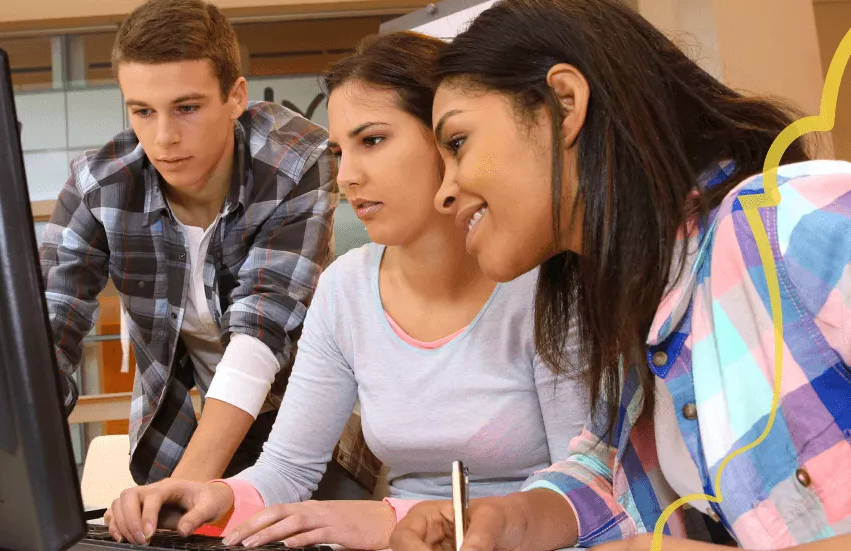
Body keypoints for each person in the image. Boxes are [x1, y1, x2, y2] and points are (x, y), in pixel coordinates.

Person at [389, 1, 851, 551]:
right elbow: (614, 476)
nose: (445, 191)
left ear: (564, 103)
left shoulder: (803, 224)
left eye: (457, 143)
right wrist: (506, 521)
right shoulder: (634, 301)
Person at [101, 31, 589, 549]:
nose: (348, 176)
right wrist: (214, 495)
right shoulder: (344, 288)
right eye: (338, 150)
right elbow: (287, 468)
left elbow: (589, 493)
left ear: (449, 140)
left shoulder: (548, 282)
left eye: (373, 141)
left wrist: (390, 519)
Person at [0, 0, 343, 548]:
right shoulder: (101, 183)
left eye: (187, 107)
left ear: (236, 97)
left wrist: (186, 488)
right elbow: (45, 340)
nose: (164, 138)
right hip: (180, 426)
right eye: (142, 111)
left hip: (298, 423)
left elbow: (260, 332)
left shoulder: (296, 161)